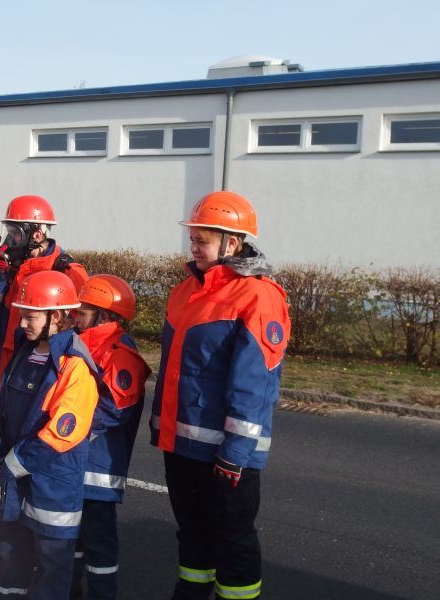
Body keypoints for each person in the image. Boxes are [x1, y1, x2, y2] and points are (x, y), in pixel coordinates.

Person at [149, 191, 291, 600]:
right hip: (181, 446)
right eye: (192, 239)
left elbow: (254, 384)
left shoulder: (257, 296)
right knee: (192, 534)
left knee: (233, 541)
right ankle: (191, 593)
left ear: (232, 243)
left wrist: (237, 451)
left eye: (202, 240)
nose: (193, 247)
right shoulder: (184, 291)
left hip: (227, 455)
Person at [0, 194, 89, 556]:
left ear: (37, 233)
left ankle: (45, 544)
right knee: (2, 449)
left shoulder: (69, 273)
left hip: (47, 378)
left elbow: (79, 328)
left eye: (16, 233)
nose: (10, 241)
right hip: (7, 371)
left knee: (38, 453)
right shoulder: (13, 270)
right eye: (8, 231)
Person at [0, 270, 99, 600]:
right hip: (16, 484)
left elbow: (57, 437)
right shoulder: (22, 353)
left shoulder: (75, 367)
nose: (21, 325)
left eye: (30, 317)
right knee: (12, 563)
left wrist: (5, 467)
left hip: (52, 488)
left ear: (57, 316)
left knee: (52, 572)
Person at [69, 274, 151, 600]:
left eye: (83, 311)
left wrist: (66, 428)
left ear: (104, 315)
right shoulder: (81, 343)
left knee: (99, 548)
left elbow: (114, 409)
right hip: (73, 462)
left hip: (97, 471)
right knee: (70, 541)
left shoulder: (119, 353)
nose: (76, 316)